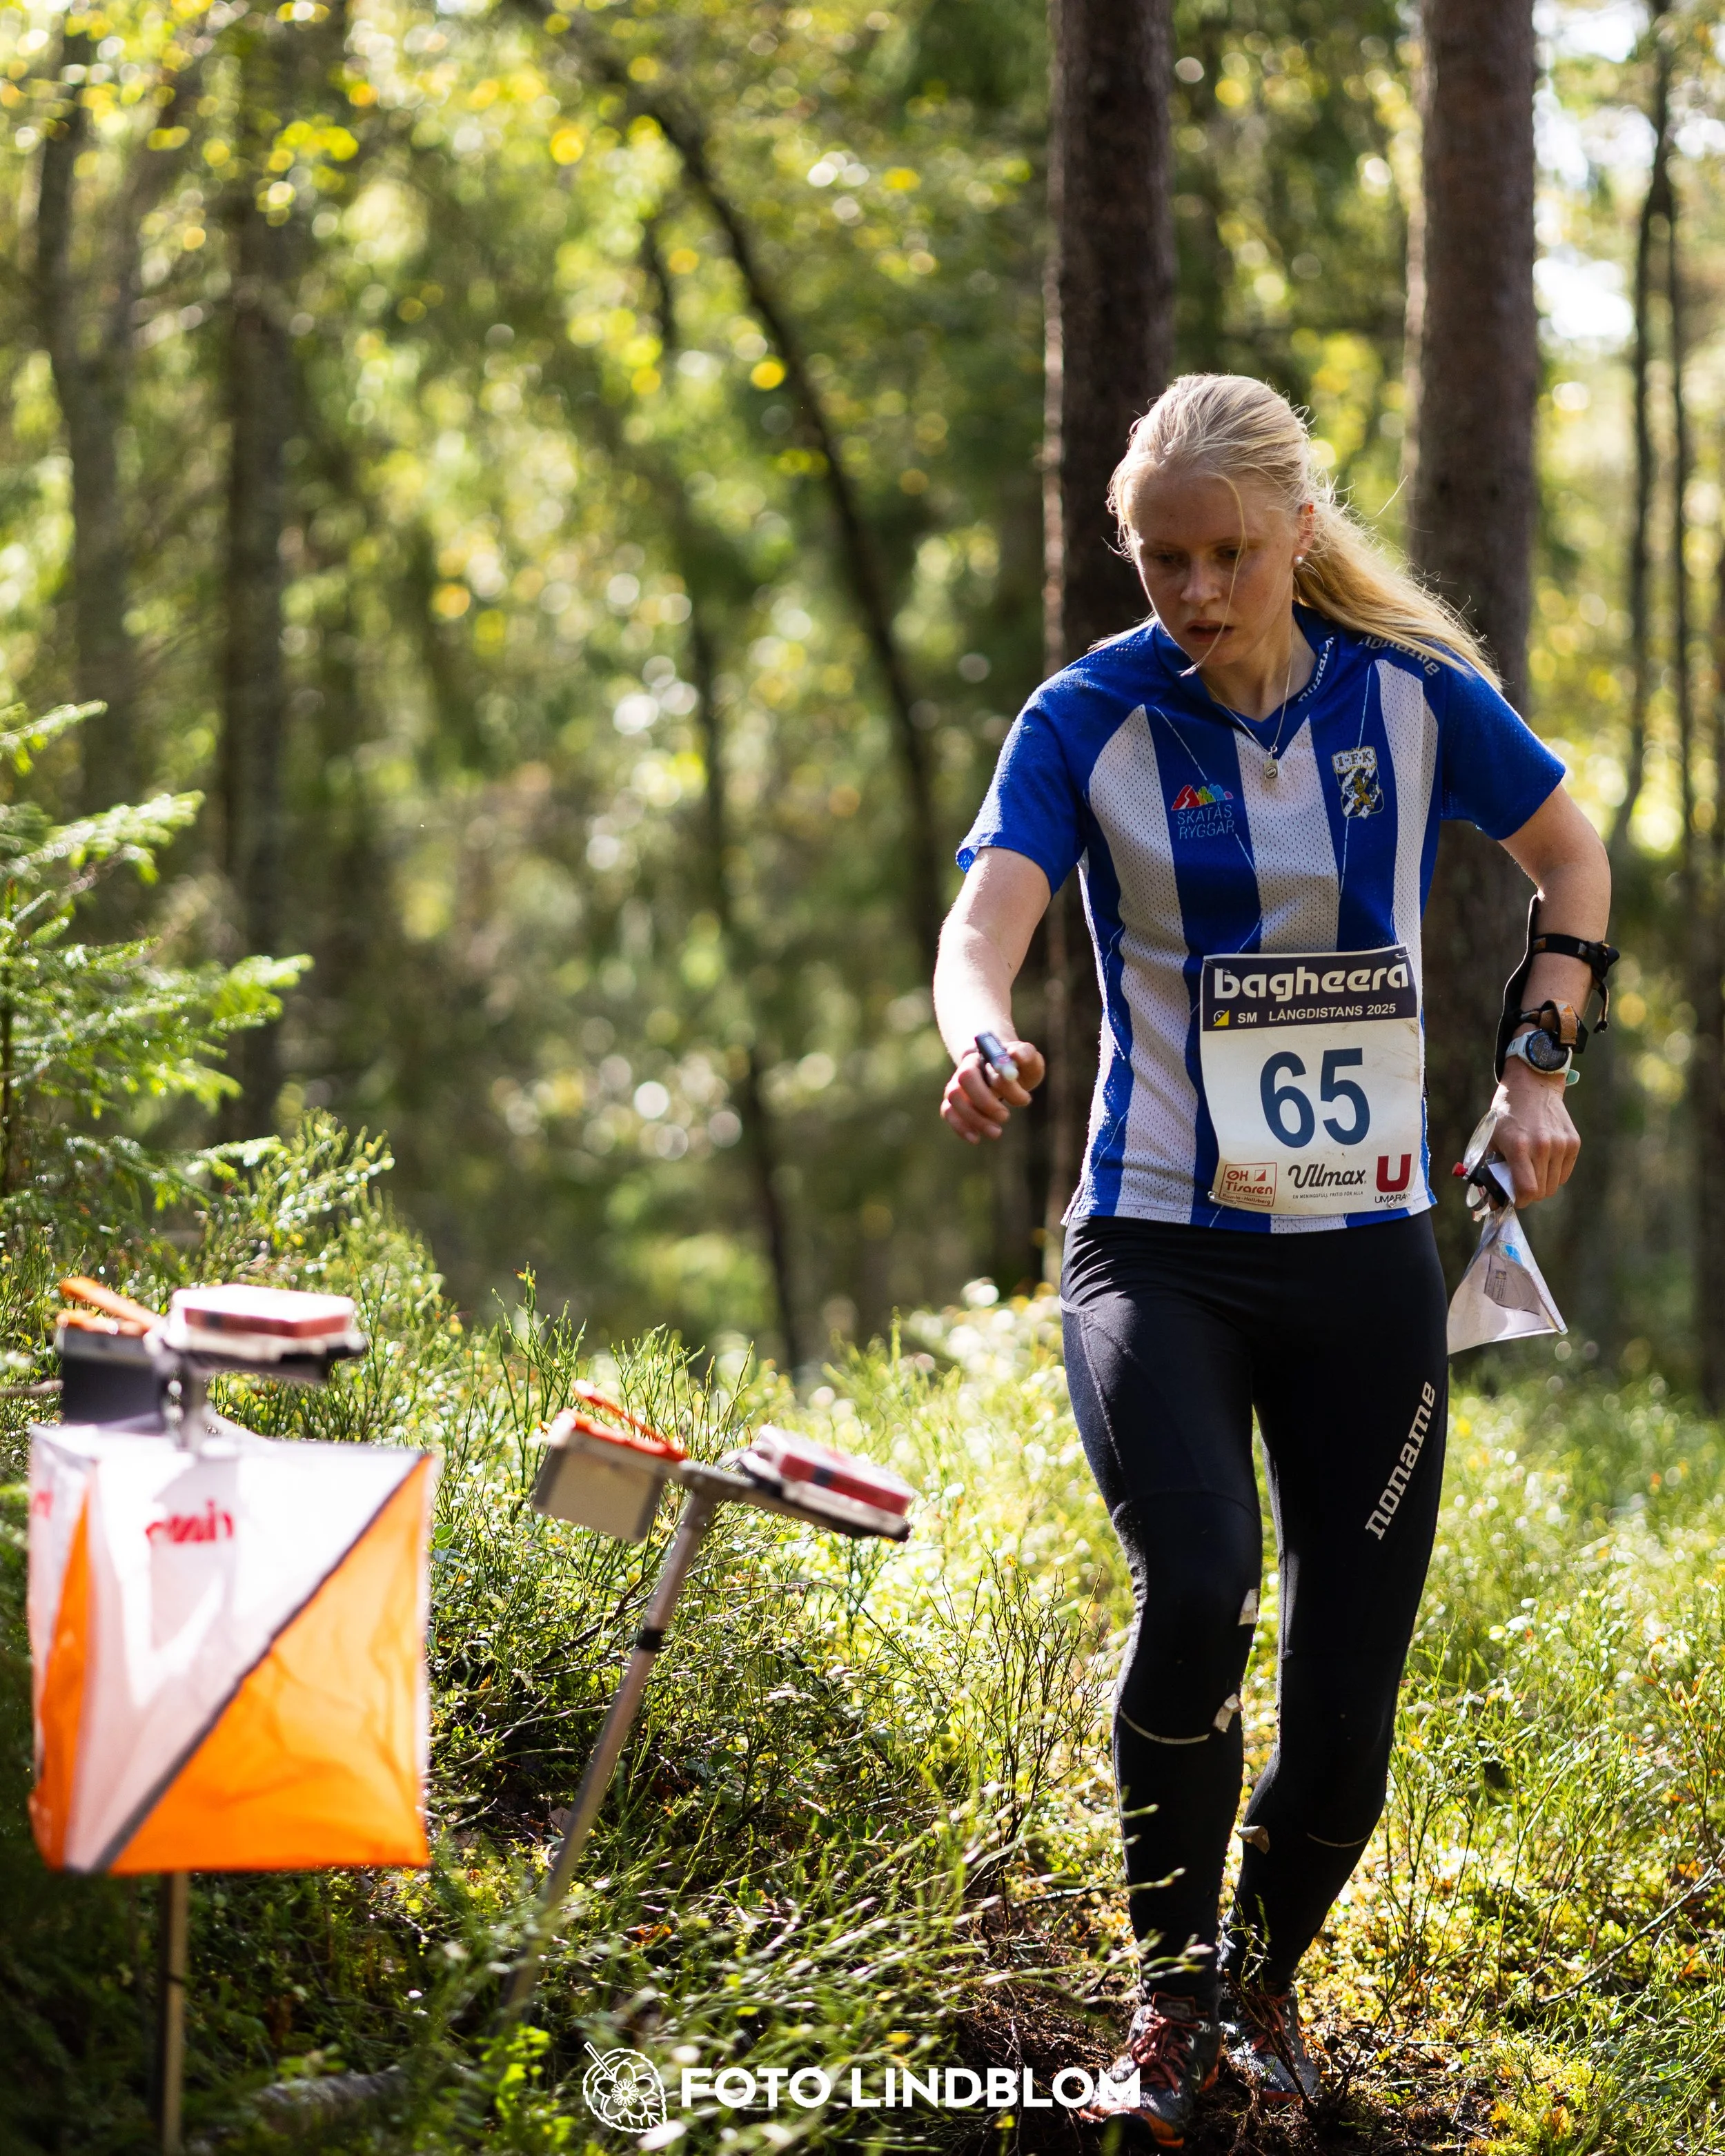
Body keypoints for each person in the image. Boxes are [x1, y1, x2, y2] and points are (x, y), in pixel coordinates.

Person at [932, 375, 1612, 2147]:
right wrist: (976, 1025)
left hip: (1364, 1260)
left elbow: (1568, 858)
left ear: (1297, 534)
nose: (1198, 589)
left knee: (1346, 1671)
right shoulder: (1085, 714)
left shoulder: (1409, 700)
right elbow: (985, 910)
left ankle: (1261, 1989)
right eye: (1164, 559)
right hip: (1156, 1243)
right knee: (1199, 1580)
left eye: (1230, 552)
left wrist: (1534, 1065)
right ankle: (1165, 2000)